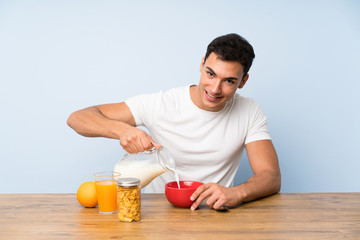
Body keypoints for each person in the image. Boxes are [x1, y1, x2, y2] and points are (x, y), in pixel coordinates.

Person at [67, 33, 281, 210]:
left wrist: (236, 193)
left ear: (243, 81)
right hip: (157, 212)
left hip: (214, 214)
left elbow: (270, 176)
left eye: (229, 81)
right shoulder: (161, 104)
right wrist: (121, 130)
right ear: (201, 65)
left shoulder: (249, 110)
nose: (215, 89)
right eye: (210, 74)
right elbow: (77, 118)